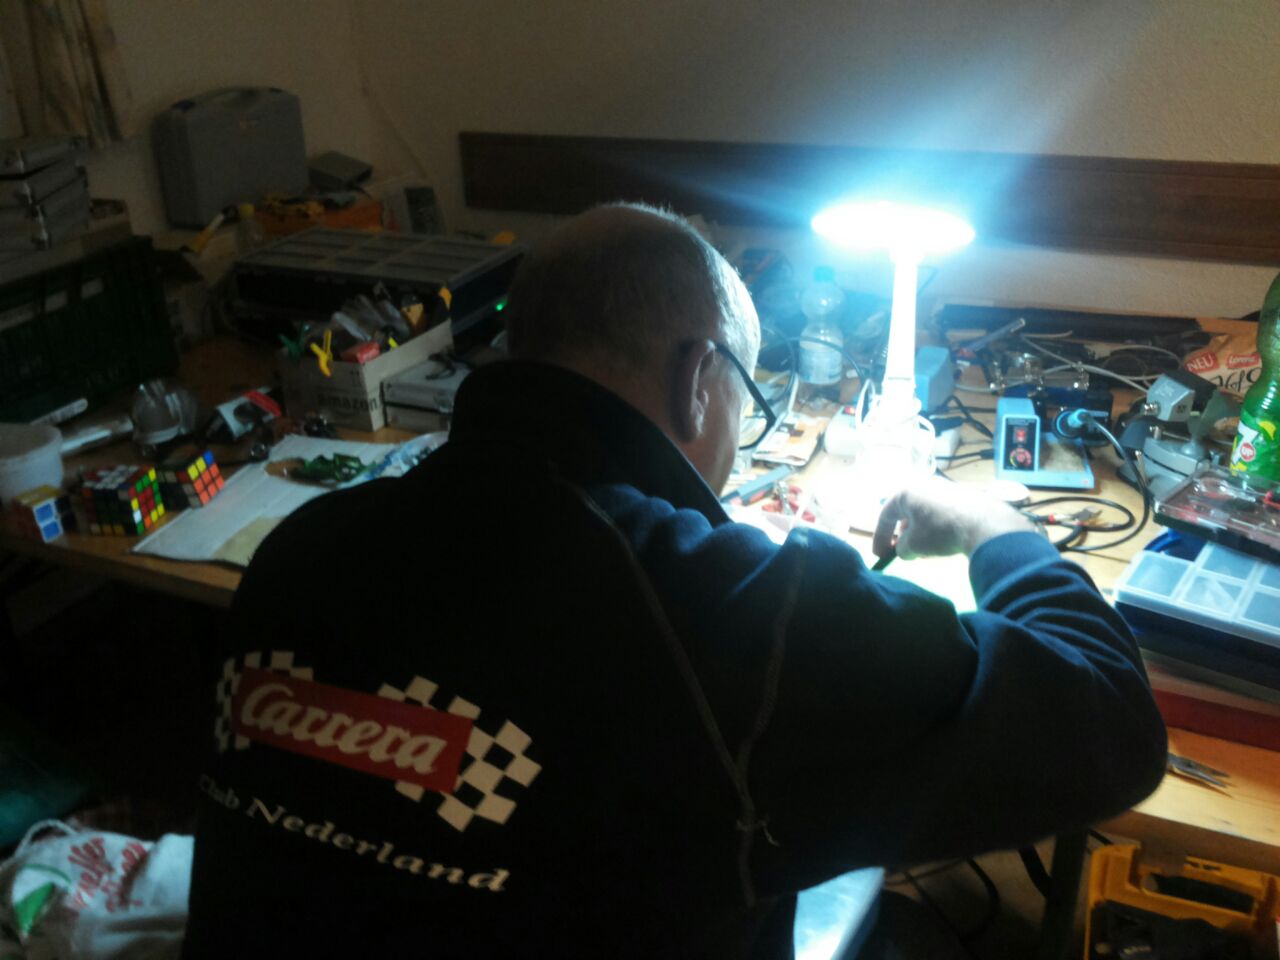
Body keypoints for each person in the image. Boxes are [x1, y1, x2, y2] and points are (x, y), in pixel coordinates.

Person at [183, 203, 1167, 959]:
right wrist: (999, 531)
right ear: (700, 380)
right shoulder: (734, 613)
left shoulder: (304, 543)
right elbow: (1111, 725)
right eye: (746, 401)